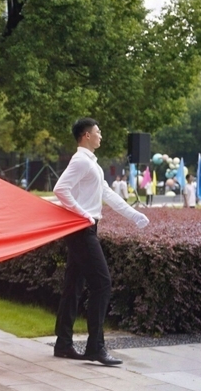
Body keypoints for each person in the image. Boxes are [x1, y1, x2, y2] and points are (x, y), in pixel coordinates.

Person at [52, 118, 149, 366]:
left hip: (84, 226)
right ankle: (95, 347)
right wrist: (82, 213)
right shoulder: (81, 161)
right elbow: (60, 189)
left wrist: (134, 215)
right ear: (86, 135)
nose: (101, 135)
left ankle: (63, 343)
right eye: (98, 132)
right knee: (102, 284)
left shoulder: (91, 162)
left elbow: (107, 194)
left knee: (73, 285)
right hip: (82, 229)